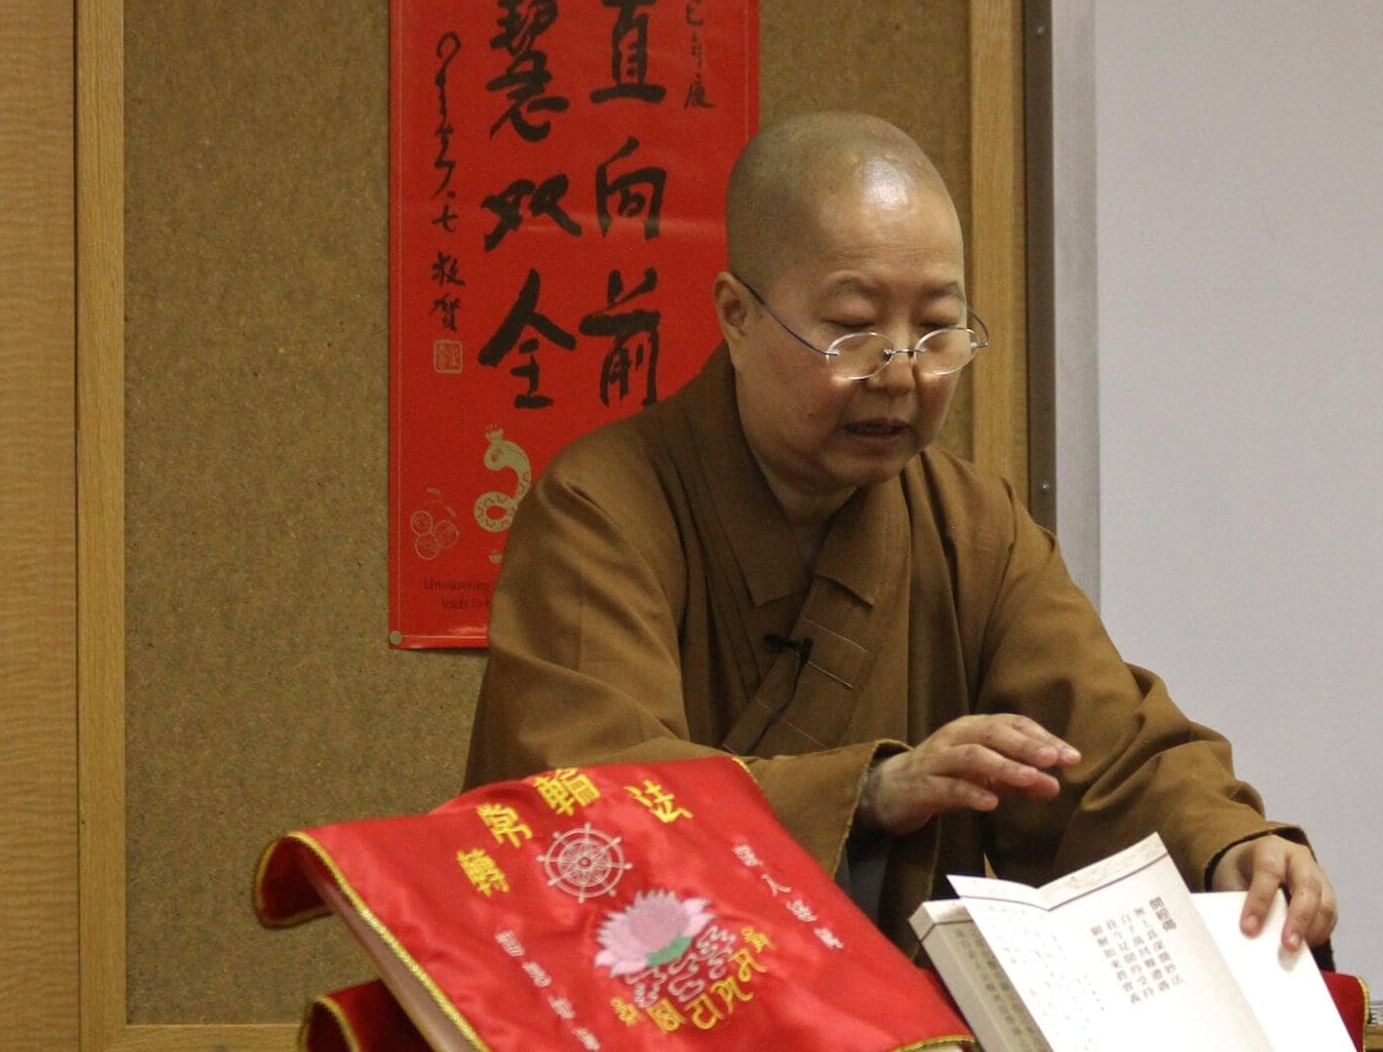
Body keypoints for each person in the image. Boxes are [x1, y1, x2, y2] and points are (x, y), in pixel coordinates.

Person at [466, 112, 1336, 957]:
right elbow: (588, 799)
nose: (904, 372)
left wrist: (1227, 845)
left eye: (936, 330)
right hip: (647, 1050)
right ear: (736, 316)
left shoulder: (972, 529)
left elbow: (1105, 759)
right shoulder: (600, 511)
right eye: (854, 329)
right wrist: (869, 793)